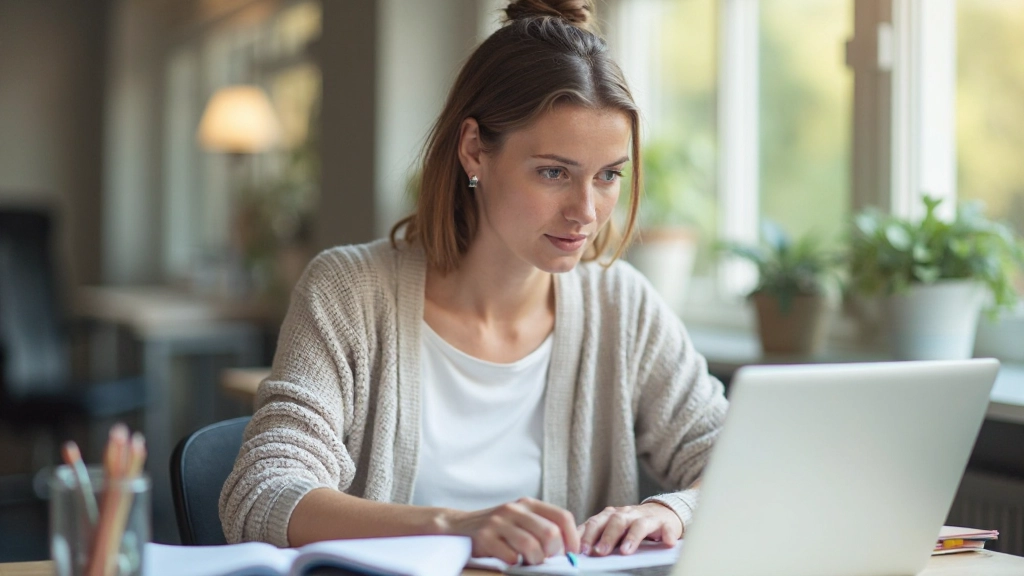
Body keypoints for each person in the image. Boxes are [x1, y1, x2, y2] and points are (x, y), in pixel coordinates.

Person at [220, 0, 728, 566]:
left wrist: (674, 511)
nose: (586, 211)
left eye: (608, 175)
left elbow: (744, 460)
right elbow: (261, 494)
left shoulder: (622, 307)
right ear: (473, 150)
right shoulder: (350, 293)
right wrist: (457, 527)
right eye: (553, 172)